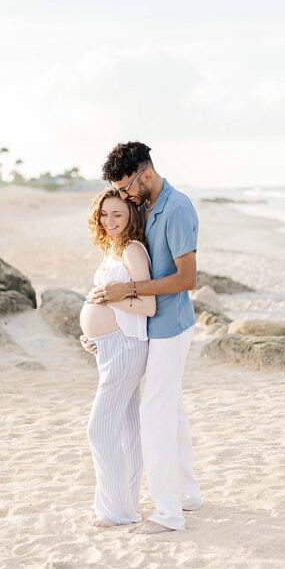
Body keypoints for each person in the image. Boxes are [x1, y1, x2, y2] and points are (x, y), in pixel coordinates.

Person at [85, 141, 202, 535]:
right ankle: (188, 495)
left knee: (155, 415)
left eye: (126, 188)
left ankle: (168, 514)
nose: (123, 196)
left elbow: (188, 279)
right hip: (150, 330)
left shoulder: (178, 208)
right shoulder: (148, 206)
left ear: (146, 175)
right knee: (173, 413)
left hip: (170, 327)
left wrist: (128, 292)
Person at [79, 188, 155, 527]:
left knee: (99, 429)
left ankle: (117, 510)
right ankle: (125, 504)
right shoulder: (113, 249)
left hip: (126, 347)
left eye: (118, 215)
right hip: (109, 347)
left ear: (130, 217)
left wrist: (109, 302)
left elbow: (148, 305)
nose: (110, 221)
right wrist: (90, 334)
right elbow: (105, 300)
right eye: (105, 214)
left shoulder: (133, 250)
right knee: (127, 427)